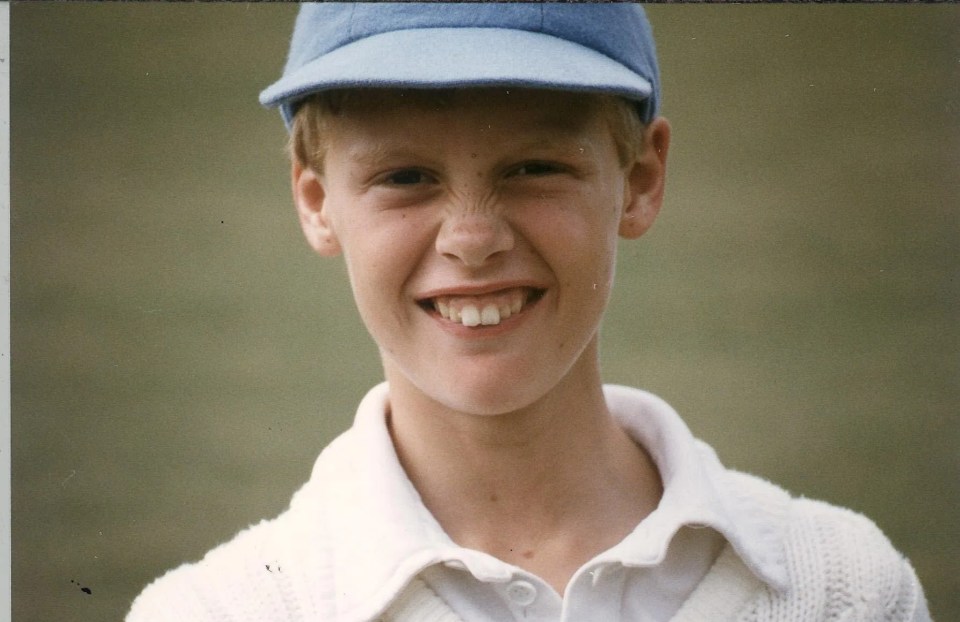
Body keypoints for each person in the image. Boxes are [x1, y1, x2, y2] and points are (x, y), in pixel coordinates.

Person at [127, 4, 931, 621]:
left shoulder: (841, 587)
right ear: (316, 203)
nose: (472, 240)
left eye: (535, 167)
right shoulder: (222, 608)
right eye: (406, 177)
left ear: (642, 179)